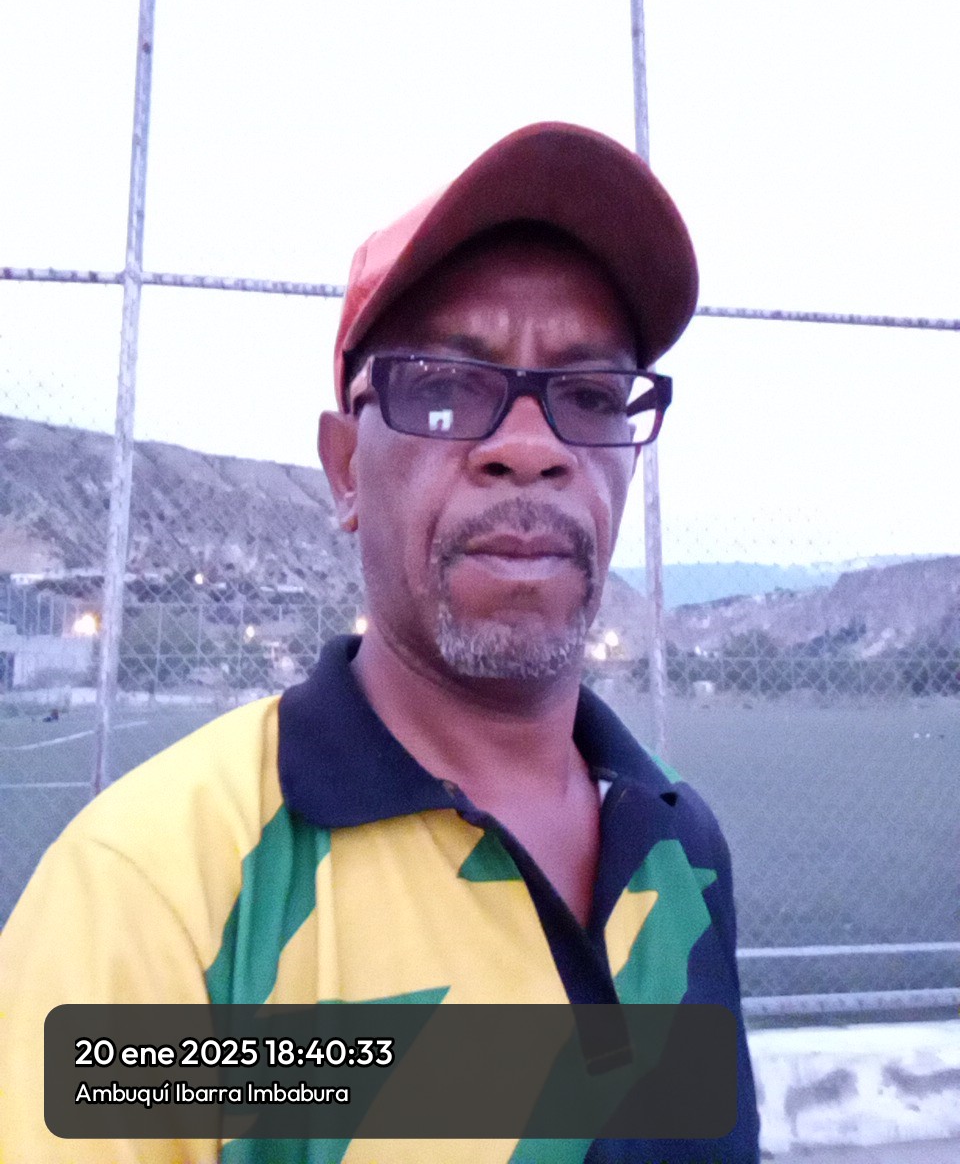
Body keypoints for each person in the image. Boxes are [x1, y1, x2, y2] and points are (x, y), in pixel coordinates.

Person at [0, 122, 760, 1162]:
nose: (530, 446)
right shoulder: (159, 889)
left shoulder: (681, 842)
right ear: (346, 468)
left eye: (588, 396)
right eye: (444, 390)